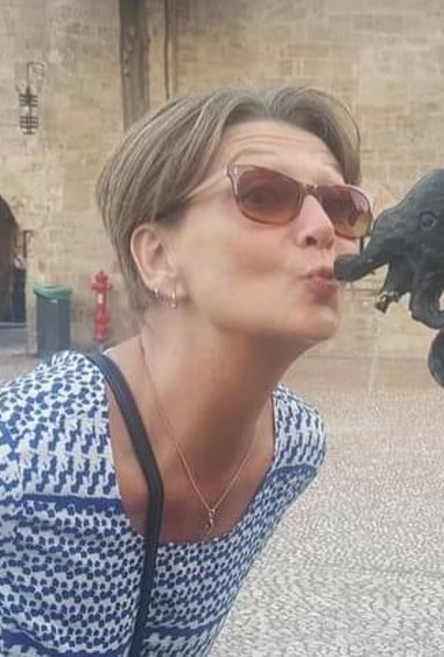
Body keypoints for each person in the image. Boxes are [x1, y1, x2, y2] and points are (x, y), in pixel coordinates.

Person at [0, 88, 373, 654]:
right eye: (264, 195)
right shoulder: (22, 453)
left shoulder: (294, 450)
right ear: (158, 258)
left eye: (342, 206)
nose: (324, 228)